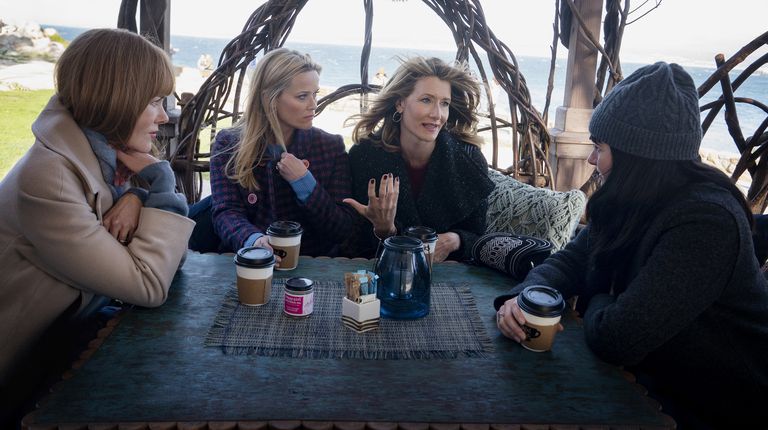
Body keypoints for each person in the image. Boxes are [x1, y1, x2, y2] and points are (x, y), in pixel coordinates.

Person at [494, 62, 768, 428]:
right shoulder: (632, 200)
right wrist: (523, 299)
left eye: (600, 148)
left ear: (637, 157)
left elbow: (617, 338)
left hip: (717, 405)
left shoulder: (707, 222)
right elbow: (570, 261)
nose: (591, 159)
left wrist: (602, 296)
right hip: (649, 382)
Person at [0, 28, 192, 425]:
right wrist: (160, 181)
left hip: (69, 336)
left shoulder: (106, 154)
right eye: (154, 101)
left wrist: (135, 196)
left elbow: (173, 262)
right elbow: (149, 285)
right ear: (117, 98)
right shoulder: (50, 178)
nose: (163, 116)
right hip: (22, 376)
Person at [343, 57, 494, 262]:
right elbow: (352, 243)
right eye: (426, 100)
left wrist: (455, 240)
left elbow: (478, 236)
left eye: (444, 103)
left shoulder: (470, 159)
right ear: (400, 103)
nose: (437, 114)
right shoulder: (364, 155)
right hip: (382, 271)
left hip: (450, 272)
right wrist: (385, 230)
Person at [209, 48, 354, 256]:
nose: (314, 105)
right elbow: (226, 211)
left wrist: (305, 183)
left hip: (312, 265)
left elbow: (342, 229)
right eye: (302, 96)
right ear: (269, 98)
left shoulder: (330, 147)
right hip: (249, 263)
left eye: (315, 94)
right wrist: (253, 240)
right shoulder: (229, 144)